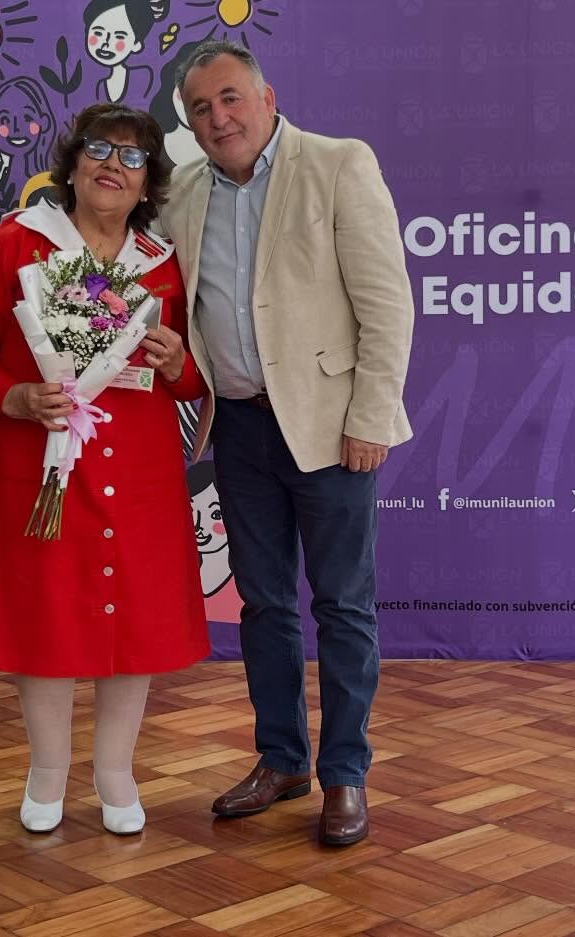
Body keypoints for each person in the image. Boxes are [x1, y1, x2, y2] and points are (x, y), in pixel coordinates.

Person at [164, 40, 415, 846]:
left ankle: (345, 773)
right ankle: (282, 759)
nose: (218, 118)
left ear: (267, 99)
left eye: (230, 98)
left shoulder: (339, 164)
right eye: (200, 108)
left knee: (342, 604)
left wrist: (371, 414)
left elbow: (387, 304)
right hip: (238, 425)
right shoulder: (181, 192)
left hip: (332, 425)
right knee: (264, 602)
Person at [0, 103, 211, 837]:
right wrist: (14, 397)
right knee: (47, 611)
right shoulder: (17, 242)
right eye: (99, 149)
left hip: (141, 467)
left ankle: (116, 770)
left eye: (133, 157)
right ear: (72, 162)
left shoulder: (162, 261)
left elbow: (194, 378)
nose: (113, 165)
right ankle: (48, 770)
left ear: (149, 181)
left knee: (136, 616)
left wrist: (178, 364)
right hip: (42, 459)